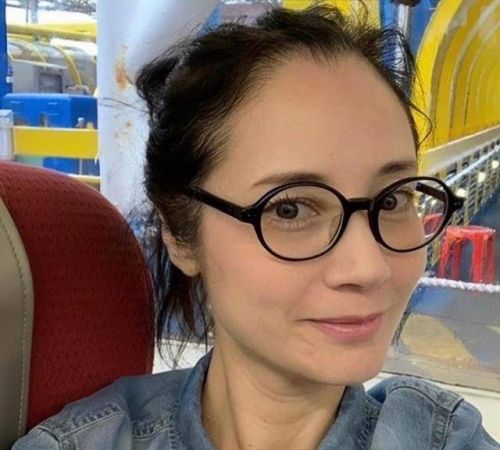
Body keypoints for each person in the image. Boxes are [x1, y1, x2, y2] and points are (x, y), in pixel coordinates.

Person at [13, 4, 500, 450]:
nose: (369, 267)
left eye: (392, 200)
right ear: (180, 234)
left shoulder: (441, 438)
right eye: (290, 209)